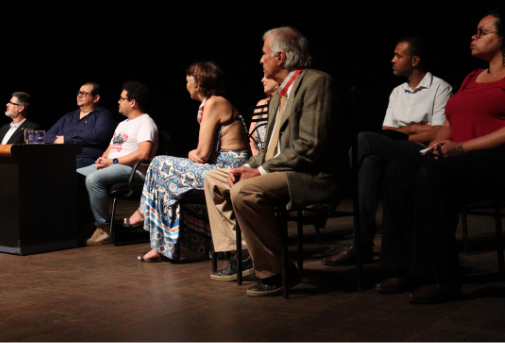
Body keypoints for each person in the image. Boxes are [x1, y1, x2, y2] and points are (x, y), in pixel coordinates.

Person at [203, 27, 346, 297]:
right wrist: (249, 165)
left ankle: (278, 270)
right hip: (279, 168)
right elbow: (269, 149)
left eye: (264, 54)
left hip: (309, 173)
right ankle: (244, 253)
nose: (260, 60)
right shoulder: (280, 93)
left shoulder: (316, 82)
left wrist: (259, 170)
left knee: (244, 190)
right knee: (214, 178)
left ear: (280, 57)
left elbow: (311, 145)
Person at [376, 11, 505, 304]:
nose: (473, 37)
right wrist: (441, 141)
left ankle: (441, 277)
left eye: (482, 32)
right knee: (399, 171)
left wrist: (461, 148)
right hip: (458, 154)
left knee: (433, 176)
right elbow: (449, 120)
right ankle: (401, 268)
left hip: (493, 157)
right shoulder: (472, 77)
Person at [323, 37, 452, 266]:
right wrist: (416, 128)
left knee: (364, 139)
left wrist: (406, 131)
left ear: (415, 60)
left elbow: (438, 133)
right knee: (369, 163)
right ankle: (361, 244)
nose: (392, 60)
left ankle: (327, 193)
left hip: (423, 154)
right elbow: (386, 131)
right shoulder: (397, 92)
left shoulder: (440, 88)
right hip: (397, 150)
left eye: (398, 56)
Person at [126, 62, 250, 262]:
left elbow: (201, 154)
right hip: (218, 165)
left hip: (227, 169)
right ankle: (161, 246)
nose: (186, 85)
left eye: (188, 81)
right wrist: (195, 154)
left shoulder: (214, 102)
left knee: (159, 164)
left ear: (198, 84)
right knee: (164, 179)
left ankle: (144, 212)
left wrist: (193, 153)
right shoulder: (212, 103)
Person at [78, 82, 159, 246]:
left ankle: (104, 228)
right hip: (114, 166)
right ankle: (86, 223)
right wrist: (103, 159)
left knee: (93, 179)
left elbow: (144, 153)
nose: (118, 102)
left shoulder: (145, 122)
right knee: (74, 175)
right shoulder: (123, 124)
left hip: (135, 171)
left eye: (122, 99)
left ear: (132, 102)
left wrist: (113, 161)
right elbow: (112, 148)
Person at [45, 83, 118, 168]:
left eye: (84, 93)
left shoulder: (103, 115)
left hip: (87, 159)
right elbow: (47, 136)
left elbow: (99, 134)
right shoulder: (68, 117)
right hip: (61, 156)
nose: (79, 96)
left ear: (96, 98)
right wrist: (57, 140)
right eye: (79, 93)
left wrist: (66, 139)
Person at [247, 77, 279, 156]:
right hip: (258, 158)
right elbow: (251, 137)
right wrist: (254, 153)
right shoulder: (261, 104)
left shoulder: (287, 104)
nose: (262, 80)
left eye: (267, 77)